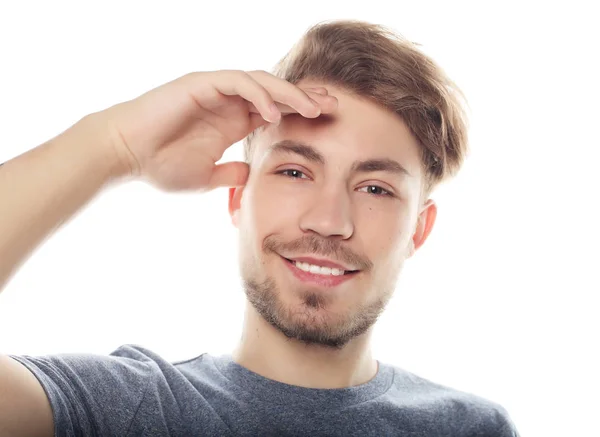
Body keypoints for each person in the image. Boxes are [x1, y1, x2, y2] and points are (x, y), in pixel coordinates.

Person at [0, 20, 519, 437]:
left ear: (418, 231)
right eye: (295, 172)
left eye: (376, 189)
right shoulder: (127, 411)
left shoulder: (472, 428)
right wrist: (114, 145)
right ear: (237, 198)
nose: (328, 221)